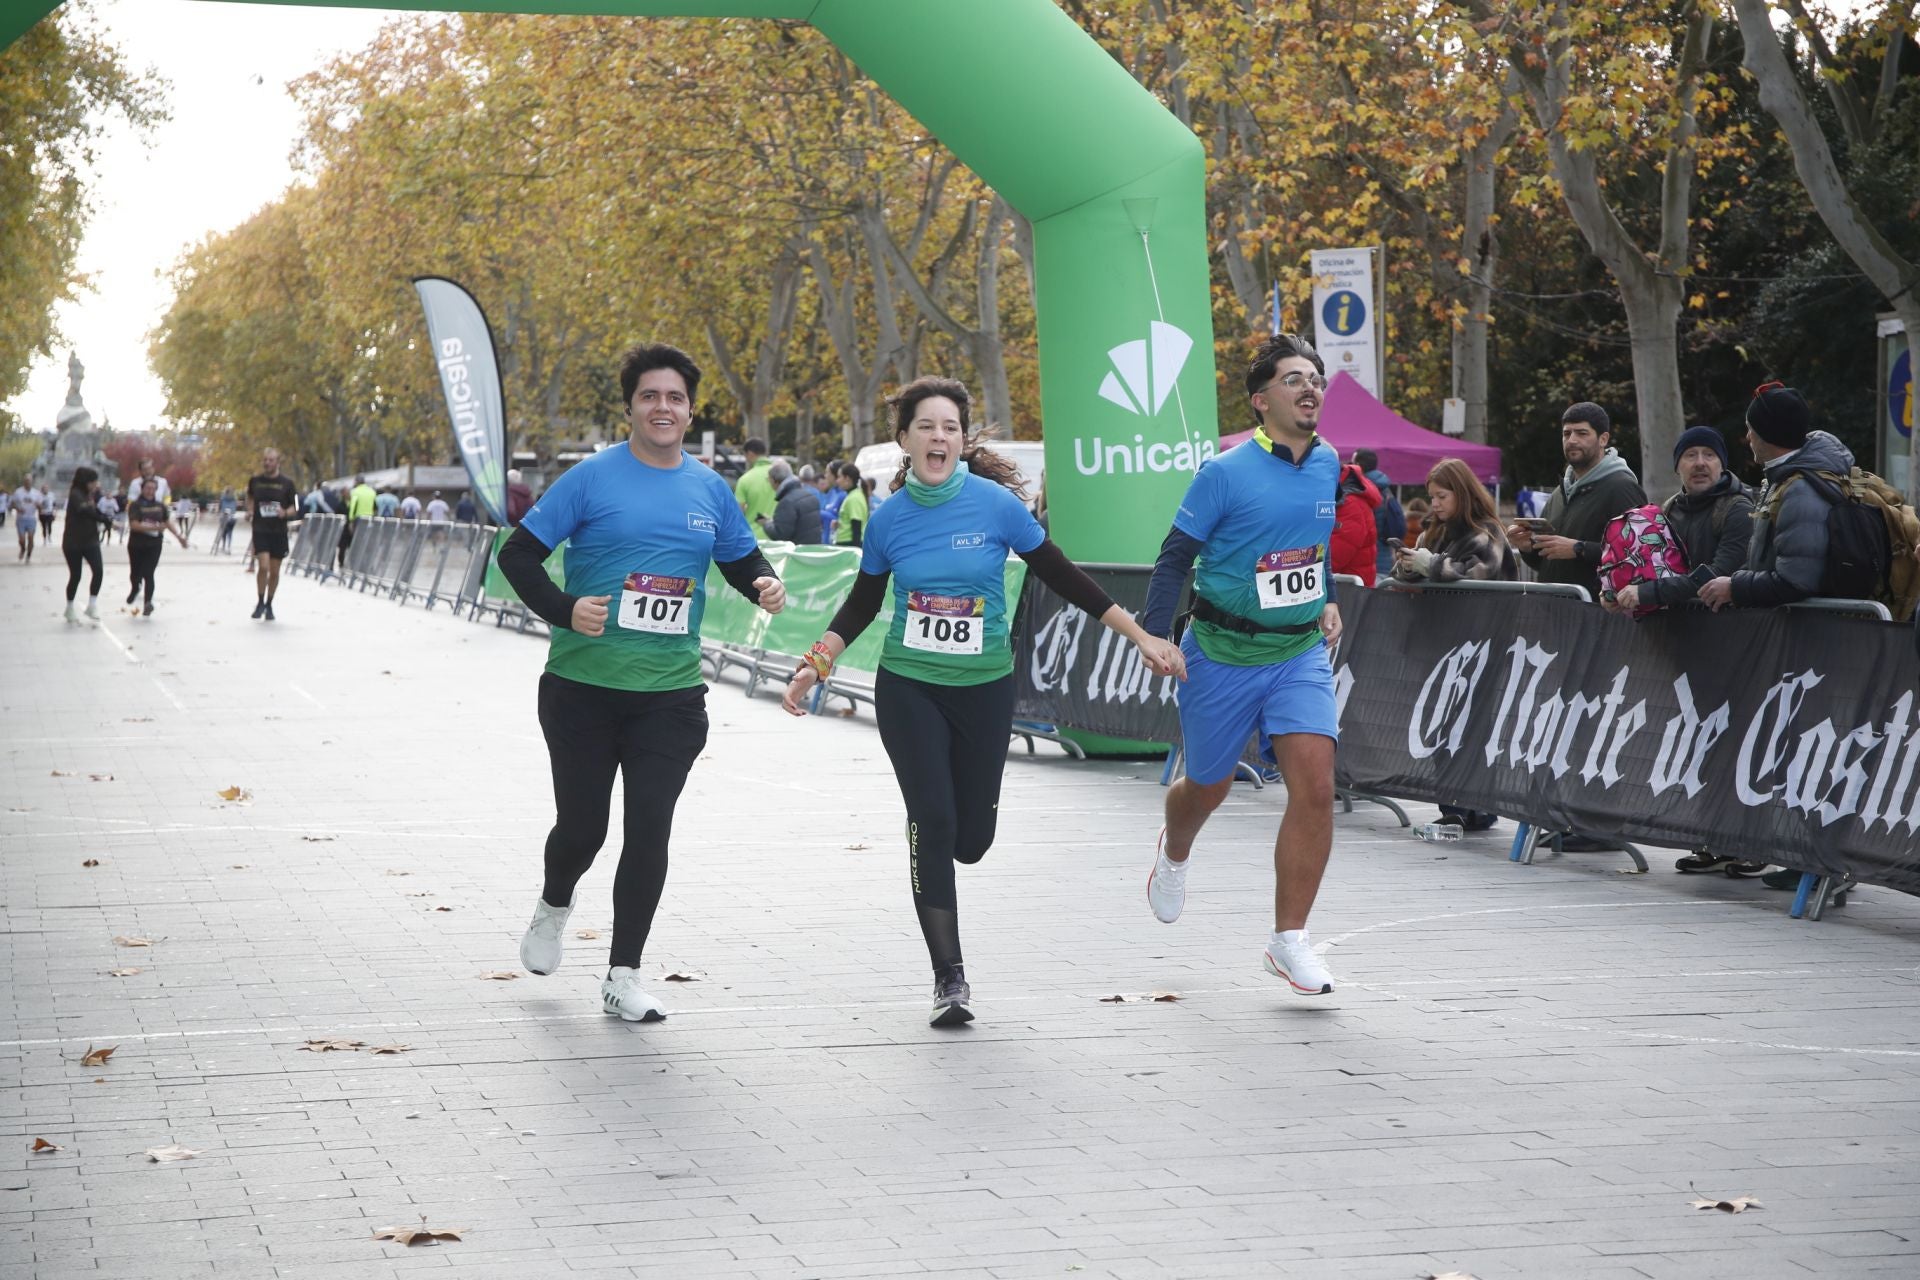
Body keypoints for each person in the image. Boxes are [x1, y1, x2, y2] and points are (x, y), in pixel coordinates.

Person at [781, 376, 1182, 1026]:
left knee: (971, 840)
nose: (938, 437)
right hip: (909, 686)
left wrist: (1139, 635)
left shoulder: (996, 506)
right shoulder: (888, 520)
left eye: (950, 427)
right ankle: (950, 977)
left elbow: (1061, 574)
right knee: (933, 821)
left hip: (984, 689)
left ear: (962, 440)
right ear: (904, 439)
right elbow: (862, 603)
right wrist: (815, 663)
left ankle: (937, 840)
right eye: (926, 426)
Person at [499, 342, 786, 1023]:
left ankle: (622, 975)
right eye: (650, 396)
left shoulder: (709, 489)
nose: (663, 407)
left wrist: (765, 583)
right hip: (582, 689)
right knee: (583, 829)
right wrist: (565, 609)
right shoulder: (590, 479)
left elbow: (742, 558)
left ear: (690, 411)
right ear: (629, 406)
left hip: (671, 695)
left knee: (649, 829)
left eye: (675, 398)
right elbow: (518, 555)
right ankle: (554, 904)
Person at [1138, 333, 1346, 997]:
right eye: (1294, 378)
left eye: (1315, 378)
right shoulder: (1223, 473)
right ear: (1261, 401)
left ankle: (1289, 941)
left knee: (1315, 786)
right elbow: (1174, 557)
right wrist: (1153, 635)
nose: (1310, 387)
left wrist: (1327, 597)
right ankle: (1174, 850)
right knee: (1209, 785)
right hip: (1221, 652)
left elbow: (1312, 545)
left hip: (1297, 653)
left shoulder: (1329, 463)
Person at [1390, 458, 1516, 832]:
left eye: (1442, 496)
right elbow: (1409, 573)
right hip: (1442, 642)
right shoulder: (1433, 532)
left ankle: (1476, 806)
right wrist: (1408, 565)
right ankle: (1454, 805)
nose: (1435, 504)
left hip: (1483, 642)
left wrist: (1429, 565)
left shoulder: (1487, 531)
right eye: (1432, 497)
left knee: (1472, 724)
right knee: (1442, 722)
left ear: (1461, 493)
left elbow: (1477, 574)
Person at [1698, 384, 1852, 613]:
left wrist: (1734, 587)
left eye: (1751, 429)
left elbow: (1797, 581)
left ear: (1768, 435)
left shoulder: (1800, 491)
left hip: (1807, 631)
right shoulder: (1784, 480)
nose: (1748, 437)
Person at [1506, 403, 1647, 600]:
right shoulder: (1560, 492)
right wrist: (1527, 547)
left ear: (1603, 439)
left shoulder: (1622, 487)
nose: (1572, 440)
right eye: (1567, 433)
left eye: (1582, 433)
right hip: (1553, 609)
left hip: (1599, 612)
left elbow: (1640, 554)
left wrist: (1579, 549)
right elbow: (1547, 562)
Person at [1611, 426, 1754, 617]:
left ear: (1722, 465)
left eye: (1709, 455)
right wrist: (1616, 592)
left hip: (1727, 626)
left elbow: (1716, 575)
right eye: (1691, 455)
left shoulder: (1738, 509)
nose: (1700, 463)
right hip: (1675, 627)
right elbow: (1649, 567)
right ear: (1677, 467)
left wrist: (1646, 593)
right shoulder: (1669, 509)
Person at [246, 447, 300, 621]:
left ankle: (269, 604)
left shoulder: (288, 483)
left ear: (278, 463)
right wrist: (250, 510)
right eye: (265, 460)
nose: (267, 463)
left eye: (270, 460)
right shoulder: (255, 481)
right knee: (263, 567)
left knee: (275, 571)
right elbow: (250, 497)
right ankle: (260, 601)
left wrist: (285, 512)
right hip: (260, 529)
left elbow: (296, 506)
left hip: (278, 531)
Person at [125, 476, 187, 615]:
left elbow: (167, 522)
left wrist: (179, 537)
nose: (150, 491)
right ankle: (135, 588)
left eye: (153, 489)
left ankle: (148, 603)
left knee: (148, 572)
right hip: (137, 544)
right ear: (142, 489)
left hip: (154, 544)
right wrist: (154, 528)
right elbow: (134, 525)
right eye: (148, 488)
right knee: (135, 573)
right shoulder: (135, 505)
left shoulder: (160, 506)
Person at [61, 467, 113, 623]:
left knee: (98, 570)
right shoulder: (75, 494)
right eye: (94, 481)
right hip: (73, 542)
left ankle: (92, 604)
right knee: (76, 575)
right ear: (86, 481)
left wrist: (107, 519)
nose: (96, 485)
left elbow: (94, 511)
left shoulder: (88, 495)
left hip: (90, 540)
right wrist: (102, 519)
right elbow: (85, 511)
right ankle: (69, 607)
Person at [1352, 449, 1406, 577]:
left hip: (1366, 561)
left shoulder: (1361, 490)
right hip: (1385, 558)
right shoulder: (1386, 489)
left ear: (1358, 465)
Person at [1329, 460, 1383, 586]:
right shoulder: (1341, 498)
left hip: (1349, 590)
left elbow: (1335, 558)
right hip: (1344, 586)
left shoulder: (1350, 504)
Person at [763, 460, 822, 544]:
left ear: (774, 480)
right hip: (813, 548)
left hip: (797, 550)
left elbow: (780, 535)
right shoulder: (810, 496)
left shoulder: (787, 502)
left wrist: (766, 523)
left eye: (769, 480)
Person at [733, 437, 776, 530]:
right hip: (778, 533)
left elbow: (737, 512)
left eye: (745, 455)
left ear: (750, 453)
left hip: (753, 534)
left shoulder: (745, 479)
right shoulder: (781, 475)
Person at [340, 474, 376, 573]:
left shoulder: (355, 492)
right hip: (369, 518)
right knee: (368, 544)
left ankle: (357, 566)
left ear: (356, 482)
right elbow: (375, 506)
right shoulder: (372, 491)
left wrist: (351, 520)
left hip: (358, 520)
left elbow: (353, 506)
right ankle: (369, 566)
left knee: (357, 543)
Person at [833, 464, 868, 547]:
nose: (837, 481)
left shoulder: (854, 498)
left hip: (849, 545)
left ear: (847, 479)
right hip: (847, 544)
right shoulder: (853, 495)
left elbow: (857, 527)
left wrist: (855, 550)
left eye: (839, 477)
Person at [815, 461, 845, 544]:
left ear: (835, 474)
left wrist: (819, 513)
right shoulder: (831, 492)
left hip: (837, 542)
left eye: (827, 472)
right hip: (825, 540)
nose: (825, 476)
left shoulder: (844, 494)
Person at [13, 480, 39, 561]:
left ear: (31, 483)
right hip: (21, 519)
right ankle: (23, 549)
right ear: (24, 483)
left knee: (31, 537)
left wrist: (38, 505)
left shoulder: (36, 493)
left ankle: (29, 554)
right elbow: (13, 503)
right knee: (22, 539)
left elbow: (40, 505)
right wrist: (18, 509)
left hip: (31, 518)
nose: (28, 484)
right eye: (26, 482)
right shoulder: (18, 492)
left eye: (29, 482)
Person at [214, 488, 238, 554]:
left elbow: (220, 507)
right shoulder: (234, 499)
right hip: (232, 517)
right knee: (230, 532)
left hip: (224, 517)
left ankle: (223, 546)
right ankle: (229, 546)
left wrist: (218, 513)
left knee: (224, 532)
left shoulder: (222, 498)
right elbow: (235, 508)